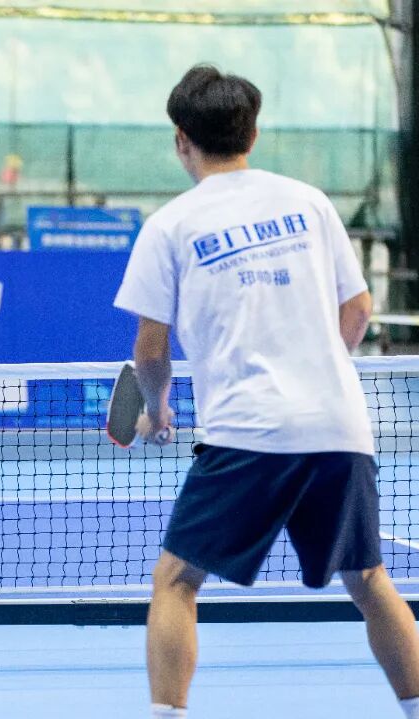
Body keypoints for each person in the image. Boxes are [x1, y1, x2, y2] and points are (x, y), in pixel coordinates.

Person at [113, 64, 419, 719]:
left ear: (181, 139)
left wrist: (158, 409)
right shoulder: (309, 202)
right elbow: (359, 309)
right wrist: (318, 368)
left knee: (175, 580)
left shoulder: (170, 225)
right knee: (369, 579)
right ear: (252, 133)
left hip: (248, 432)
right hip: (339, 424)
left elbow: (150, 348)